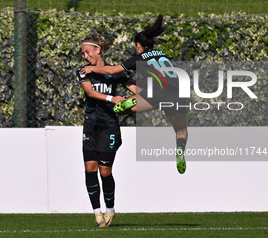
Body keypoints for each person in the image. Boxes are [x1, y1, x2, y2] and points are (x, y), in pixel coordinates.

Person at [80, 15, 188, 174]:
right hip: (177, 92)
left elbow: (111, 70)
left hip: (155, 93)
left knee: (118, 109)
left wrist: (92, 69)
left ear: (139, 45)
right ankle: (180, 150)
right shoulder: (162, 54)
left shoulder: (138, 58)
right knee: (181, 130)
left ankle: (127, 103)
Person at [77, 34, 136, 228]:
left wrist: (131, 100)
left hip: (109, 127)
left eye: (87, 52)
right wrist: (113, 99)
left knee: (105, 171)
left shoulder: (114, 71)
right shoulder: (84, 72)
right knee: (89, 168)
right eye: (83, 53)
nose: (85, 56)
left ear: (98, 50)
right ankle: (97, 212)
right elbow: (90, 92)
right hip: (91, 127)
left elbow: (137, 91)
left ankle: (110, 210)